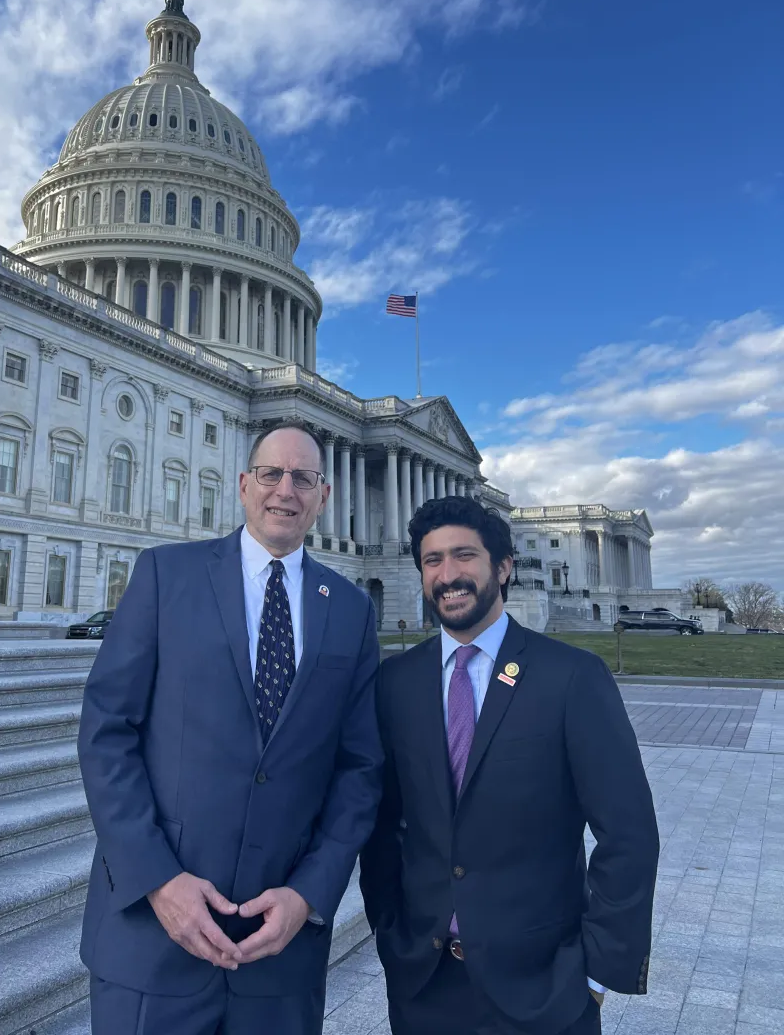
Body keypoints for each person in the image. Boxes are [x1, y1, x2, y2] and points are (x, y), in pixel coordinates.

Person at [78, 419, 383, 1035]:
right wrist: (158, 880)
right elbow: (108, 730)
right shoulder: (167, 576)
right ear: (244, 486)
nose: (285, 491)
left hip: (280, 952)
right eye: (271, 474)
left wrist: (309, 893)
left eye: (304, 478)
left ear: (323, 496)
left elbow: (360, 769)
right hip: (152, 939)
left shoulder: (350, 609)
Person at [360, 497, 660, 1035]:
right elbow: (383, 824)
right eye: (432, 561)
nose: (448, 575)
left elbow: (628, 832)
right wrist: (389, 931)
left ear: (503, 567)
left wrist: (596, 969)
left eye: (464, 556)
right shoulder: (396, 682)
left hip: (544, 987)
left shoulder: (571, 677)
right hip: (424, 985)